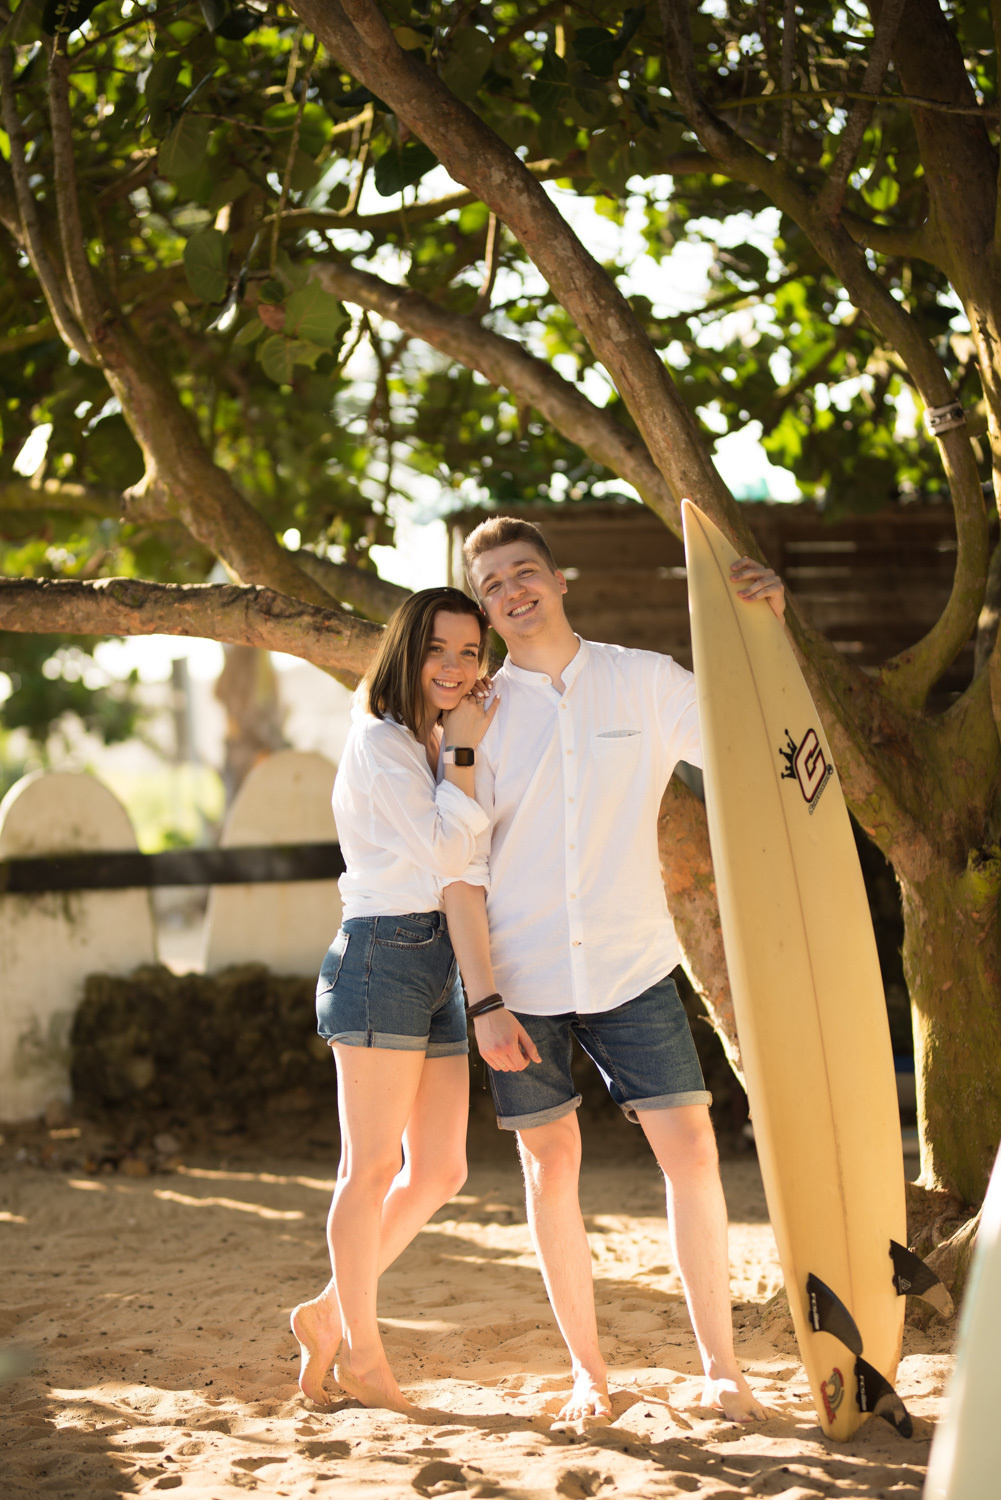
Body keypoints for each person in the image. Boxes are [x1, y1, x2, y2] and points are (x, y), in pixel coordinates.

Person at [451, 516, 784, 1427]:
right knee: (550, 1171)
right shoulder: (473, 715)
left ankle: (721, 1367)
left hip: (634, 968)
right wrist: (481, 1001)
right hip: (518, 982)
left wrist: (766, 627)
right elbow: (459, 868)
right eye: (492, 585)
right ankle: (587, 1375)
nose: (513, 591)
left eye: (525, 573)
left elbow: (748, 743)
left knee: (693, 1154)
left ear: (561, 580)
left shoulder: (643, 680)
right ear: (481, 610)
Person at [290, 586, 500, 1414]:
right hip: (382, 953)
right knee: (369, 1167)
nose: (453, 667)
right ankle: (364, 1357)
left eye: (469, 653)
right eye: (438, 649)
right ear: (407, 651)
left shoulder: (433, 739)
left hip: (437, 960)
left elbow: (463, 857)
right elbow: (447, 844)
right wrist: (465, 755)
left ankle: (328, 1311)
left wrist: (458, 747)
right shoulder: (381, 742)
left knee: (441, 1168)